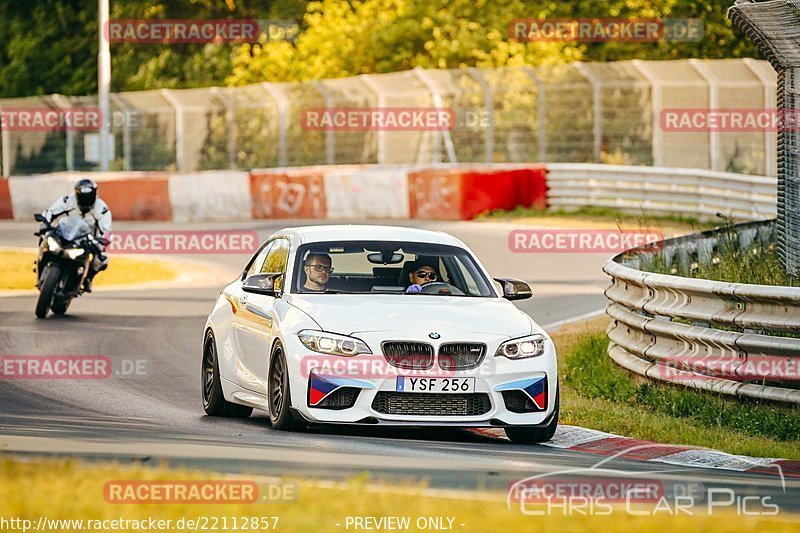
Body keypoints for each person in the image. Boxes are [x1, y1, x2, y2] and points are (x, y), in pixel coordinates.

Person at [41, 178, 111, 292]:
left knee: (103, 258)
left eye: (88, 198)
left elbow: (107, 231)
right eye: (82, 198)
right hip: (65, 232)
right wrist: (45, 222)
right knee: (46, 235)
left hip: (86, 240)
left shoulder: (102, 209)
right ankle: (41, 261)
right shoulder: (68, 200)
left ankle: (87, 278)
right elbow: (51, 212)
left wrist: (101, 242)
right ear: (77, 195)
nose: (85, 201)